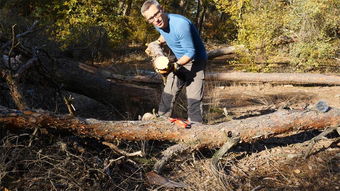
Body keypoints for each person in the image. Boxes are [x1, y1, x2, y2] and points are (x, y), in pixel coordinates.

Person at [141, 0, 207, 124]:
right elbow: (165, 34)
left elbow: (190, 52)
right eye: (151, 18)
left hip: (196, 61)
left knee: (193, 100)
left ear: (162, 9)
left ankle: (196, 130)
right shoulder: (157, 23)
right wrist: (157, 43)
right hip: (181, 60)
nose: (156, 20)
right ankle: (160, 124)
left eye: (156, 14)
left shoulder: (180, 24)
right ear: (148, 20)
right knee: (168, 94)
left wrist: (175, 65)